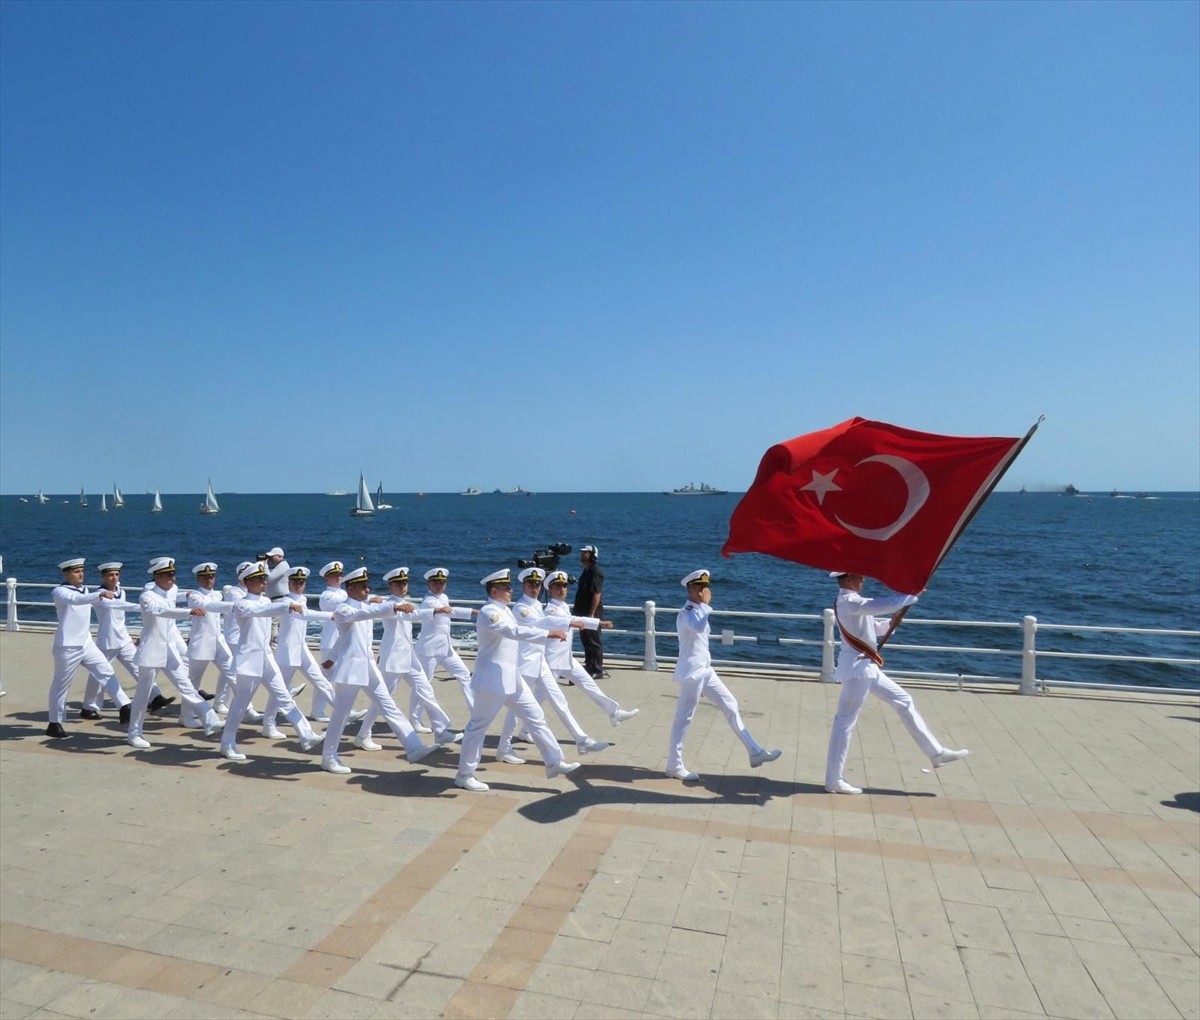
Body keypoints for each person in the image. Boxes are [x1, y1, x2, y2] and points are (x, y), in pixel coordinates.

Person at [824, 571, 968, 794]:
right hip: (858, 670)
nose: (864, 580)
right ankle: (833, 780)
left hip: (866, 667)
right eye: (860, 577)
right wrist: (911, 594)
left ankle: (936, 753)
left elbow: (872, 628)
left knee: (903, 700)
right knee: (844, 723)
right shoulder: (849, 600)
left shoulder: (852, 603)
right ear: (848, 579)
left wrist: (891, 622)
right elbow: (881, 605)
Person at [453, 569, 580, 793]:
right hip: (492, 681)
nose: (511, 590)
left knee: (536, 716)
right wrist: (548, 634)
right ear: (494, 591)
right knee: (478, 727)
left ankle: (554, 762)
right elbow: (512, 631)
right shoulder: (489, 612)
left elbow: (520, 627)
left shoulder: (504, 610)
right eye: (506, 588)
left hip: (512, 678)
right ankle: (464, 775)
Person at [666, 569, 781, 782]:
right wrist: (707, 605)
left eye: (706, 587)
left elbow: (700, 640)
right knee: (683, 718)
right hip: (693, 674)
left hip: (704, 671)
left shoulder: (698, 610)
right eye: (702, 588)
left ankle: (754, 752)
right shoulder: (687, 612)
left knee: (730, 704)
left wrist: (705, 606)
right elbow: (698, 628)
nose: (707, 591)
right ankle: (674, 765)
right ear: (693, 590)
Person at [318, 568, 436, 775]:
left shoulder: (362, 606)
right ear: (351, 587)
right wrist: (393, 607)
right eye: (363, 586)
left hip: (368, 666)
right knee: (341, 715)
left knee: (389, 705)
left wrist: (331, 657)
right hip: (350, 670)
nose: (368, 589)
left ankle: (414, 747)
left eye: (367, 586)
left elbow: (348, 639)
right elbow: (362, 614)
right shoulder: (345, 609)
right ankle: (329, 757)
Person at [495, 567, 609, 765]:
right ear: (523, 585)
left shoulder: (537, 605)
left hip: (540, 663)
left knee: (559, 700)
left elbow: (547, 619)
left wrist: (587, 622)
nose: (535, 588)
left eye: (538, 584)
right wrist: (586, 622)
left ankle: (582, 740)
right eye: (531, 584)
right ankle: (504, 748)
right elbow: (544, 622)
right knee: (515, 711)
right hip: (525, 664)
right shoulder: (520, 608)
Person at [219, 562, 322, 761]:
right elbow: (259, 612)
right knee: (240, 703)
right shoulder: (243, 603)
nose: (264, 582)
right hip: (248, 660)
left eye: (264, 578)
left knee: (284, 695)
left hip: (266, 657)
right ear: (248, 582)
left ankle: (306, 735)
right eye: (259, 579)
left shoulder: (265, 601)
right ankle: (227, 743)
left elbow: (276, 610)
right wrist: (285, 605)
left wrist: (331, 616)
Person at [354, 567, 463, 751]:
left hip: (409, 658)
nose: (402, 586)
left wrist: (435, 611)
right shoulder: (389, 605)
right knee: (382, 701)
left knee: (426, 691)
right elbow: (376, 609)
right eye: (398, 583)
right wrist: (371, 599)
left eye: (404, 583)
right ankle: (363, 735)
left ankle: (440, 730)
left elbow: (415, 614)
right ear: (390, 585)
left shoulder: (404, 603)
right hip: (393, 660)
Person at [127, 558, 222, 749]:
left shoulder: (171, 590)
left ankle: (209, 718)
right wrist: (188, 612)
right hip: (151, 650)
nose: (172, 578)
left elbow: (175, 597)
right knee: (143, 694)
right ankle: (134, 733)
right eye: (168, 575)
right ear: (157, 577)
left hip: (168, 647)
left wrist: (188, 595)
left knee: (186, 684)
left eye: (173, 574)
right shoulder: (147, 597)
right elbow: (161, 611)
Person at [544, 569, 638, 727]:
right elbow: (572, 620)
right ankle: (523, 730)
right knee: (536, 699)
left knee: (589, 685)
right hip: (552, 662)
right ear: (550, 590)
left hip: (566, 658)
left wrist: (596, 623)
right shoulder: (551, 609)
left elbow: (574, 618)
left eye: (564, 586)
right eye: (557, 587)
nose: (562, 590)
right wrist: (599, 623)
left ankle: (614, 713)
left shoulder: (563, 606)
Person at [46, 558, 128, 737]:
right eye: (76, 572)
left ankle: (124, 706)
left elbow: (91, 599)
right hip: (67, 646)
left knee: (106, 671)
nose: (81, 574)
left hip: (86, 642)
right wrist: (98, 595)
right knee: (61, 685)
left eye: (82, 571)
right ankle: (55, 722)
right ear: (67, 574)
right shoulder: (60, 591)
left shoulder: (85, 590)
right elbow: (75, 600)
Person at [263, 566, 334, 739]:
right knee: (280, 691)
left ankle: (341, 709)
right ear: (289, 583)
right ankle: (268, 724)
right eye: (295, 582)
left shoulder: (301, 599)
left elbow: (305, 613)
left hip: (301, 648)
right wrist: (330, 615)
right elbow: (303, 614)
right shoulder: (284, 601)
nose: (299, 585)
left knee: (321, 680)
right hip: (287, 652)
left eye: (301, 582)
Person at [82, 561, 157, 723]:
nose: (114, 578)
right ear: (103, 577)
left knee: (139, 667)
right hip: (107, 640)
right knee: (99, 675)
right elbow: (116, 605)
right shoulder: (99, 595)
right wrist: (141, 607)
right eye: (110, 575)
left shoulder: (120, 591)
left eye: (116, 574)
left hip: (123, 639)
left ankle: (155, 697)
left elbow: (120, 612)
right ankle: (89, 706)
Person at [412, 567, 475, 723]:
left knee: (465, 676)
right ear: (429, 584)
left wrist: (474, 612)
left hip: (446, 649)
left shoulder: (444, 597)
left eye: (442, 582)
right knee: (423, 685)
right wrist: (442, 610)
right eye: (435, 582)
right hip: (429, 650)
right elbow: (439, 611)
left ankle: (476, 715)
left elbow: (450, 611)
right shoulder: (428, 601)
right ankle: (414, 719)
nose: (439, 585)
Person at [182, 562, 239, 728]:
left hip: (218, 642)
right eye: (205, 577)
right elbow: (206, 606)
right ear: (198, 579)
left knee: (234, 675)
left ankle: (245, 709)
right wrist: (234, 605)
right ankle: (186, 716)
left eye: (211, 576)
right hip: (201, 643)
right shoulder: (194, 596)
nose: (209, 580)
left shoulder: (219, 595)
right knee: (192, 682)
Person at [314, 560, 347, 721]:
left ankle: (337, 708)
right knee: (326, 677)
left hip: (342, 641)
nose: (339, 578)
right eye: (335, 575)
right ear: (327, 578)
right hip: (330, 641)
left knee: (340, 677)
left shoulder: (343, 593)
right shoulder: (326, 596)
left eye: (340, 575)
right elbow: (345, 604)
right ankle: (318, 710)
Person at [572, 545, 607, 679]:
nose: (582, 555)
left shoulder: (595, 571)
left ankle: (597, 669)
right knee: (586, 640)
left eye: (585, 553)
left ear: (592, 555)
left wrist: (591, 613)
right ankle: (589, 664)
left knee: (593, 640)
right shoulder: (586, 571)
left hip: (591, 612)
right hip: (583, 611)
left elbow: (596, 594)